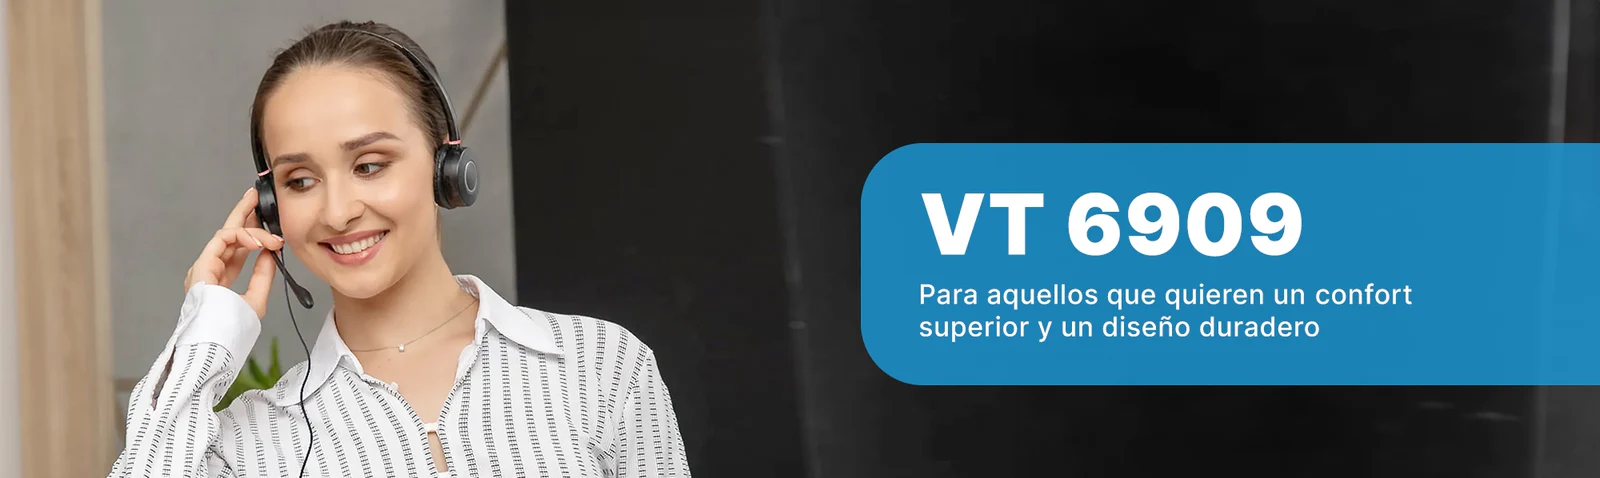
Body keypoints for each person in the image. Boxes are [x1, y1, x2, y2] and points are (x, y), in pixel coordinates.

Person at [108, 20, 690, 477]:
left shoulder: (599, 367)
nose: (338, 212)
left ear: (446, 166)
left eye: (369, 165)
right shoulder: (250, 441)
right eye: (300, 181)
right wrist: (206, 331)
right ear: (270, 206)